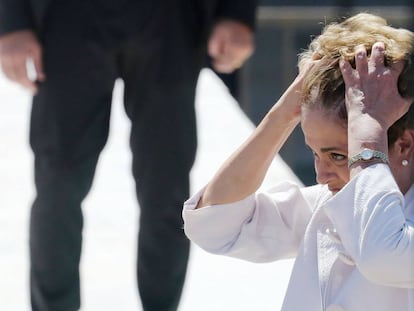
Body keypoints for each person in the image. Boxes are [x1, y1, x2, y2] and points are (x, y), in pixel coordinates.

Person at [0, 1, 257, 310]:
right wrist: (11, 20)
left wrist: (236, 13)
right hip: (67, 17)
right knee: (58, 184)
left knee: (167, 188)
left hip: (169, 19)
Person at [183, 12, 414, 310]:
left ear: (404, 144)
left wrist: (368, 137)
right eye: (315, 153)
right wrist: (283, 115)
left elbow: (382, 254)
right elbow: (215, 224)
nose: (321, 176)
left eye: (339, 155)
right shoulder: (325, 204)